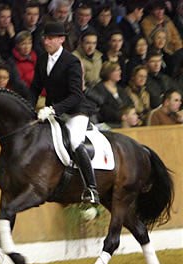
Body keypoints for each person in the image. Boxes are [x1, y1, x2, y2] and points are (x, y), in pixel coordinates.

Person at [30, 21, 100, 205]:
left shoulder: (72, 61)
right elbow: (35, 88)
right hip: (53, 112)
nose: (46, 41)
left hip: (75, 111)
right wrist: (28, 110)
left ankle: (91, 188)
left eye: (51, 38)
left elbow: (76, 95)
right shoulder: (42, 59)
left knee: (75, 141)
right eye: (45, 38)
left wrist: (53, 109)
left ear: (61, 39)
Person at [86, 61, 133, 128]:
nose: (120, 72)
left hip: (124, 121)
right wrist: (120, 116)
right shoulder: (98, 89)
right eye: (117, 70)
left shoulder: (120, 89)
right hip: (108, 123)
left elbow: (129, 102)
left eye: (120, 70)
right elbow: (103, 109)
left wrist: (129, 114)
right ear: (108, 72)